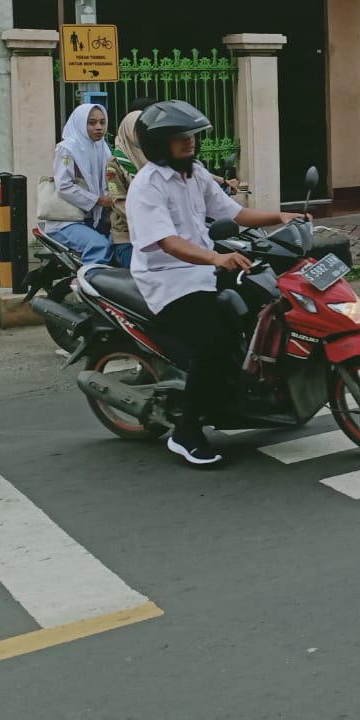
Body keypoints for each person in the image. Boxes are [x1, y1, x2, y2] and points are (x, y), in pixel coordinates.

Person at [125, 100, 304, 467]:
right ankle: (186, 433)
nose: (189, 142)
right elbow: (167, 242)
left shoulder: (195, 173)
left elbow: (233, 213)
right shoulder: (146, 186)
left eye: (191, 135)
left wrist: (280, 215)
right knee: (215, 339)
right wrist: (216, 257)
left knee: (264, 303)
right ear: (159, 143)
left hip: (203, 270)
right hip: (168, 280)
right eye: (179, 137)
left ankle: (255, 392)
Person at [42, 102, 115, 264]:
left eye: (102, 122)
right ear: (81, 123)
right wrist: (98, 200)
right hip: (67, 221)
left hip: (94, 218)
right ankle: (90, 284)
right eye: (92, 122)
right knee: (99, 245)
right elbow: (64, 186)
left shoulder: (103, 148)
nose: (98, 127)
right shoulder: (68, 148)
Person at [103, 98, 155, 268]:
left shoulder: (156, 158)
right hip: (128, 234)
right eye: (137, 131)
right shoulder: (115, 163)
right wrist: (147, 218)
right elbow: (118, 201)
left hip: (158, 232)